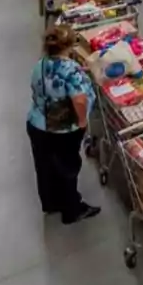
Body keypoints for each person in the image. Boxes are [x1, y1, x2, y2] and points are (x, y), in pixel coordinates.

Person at [26, 24, 101, 224]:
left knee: (45, 167)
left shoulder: (40, 65)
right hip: (62, 129)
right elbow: (79, 99)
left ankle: (51, 203)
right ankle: (72, 210)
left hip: (37, 124)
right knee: (67, 166)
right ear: (69, 45)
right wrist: (83, 120)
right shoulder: (71, 71)